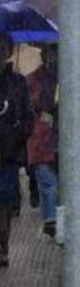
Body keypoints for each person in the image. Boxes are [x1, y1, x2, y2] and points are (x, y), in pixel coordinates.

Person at [0, 33, 33, 267]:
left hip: (8, 155)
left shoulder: (19, 82)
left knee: (4, 202)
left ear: (9, 51)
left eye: (2, 47)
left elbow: (28, 118)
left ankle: (2, 246)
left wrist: (17, 131)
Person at [27, 44, 60, 238]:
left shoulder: (69, 76)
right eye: (51, 52)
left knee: (58, 187)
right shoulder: (35, 78)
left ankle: (56, 222)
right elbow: (30, 104)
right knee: (49, 185)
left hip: (62, 140)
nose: (53, 57)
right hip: (41, 140)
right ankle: (50, 221)